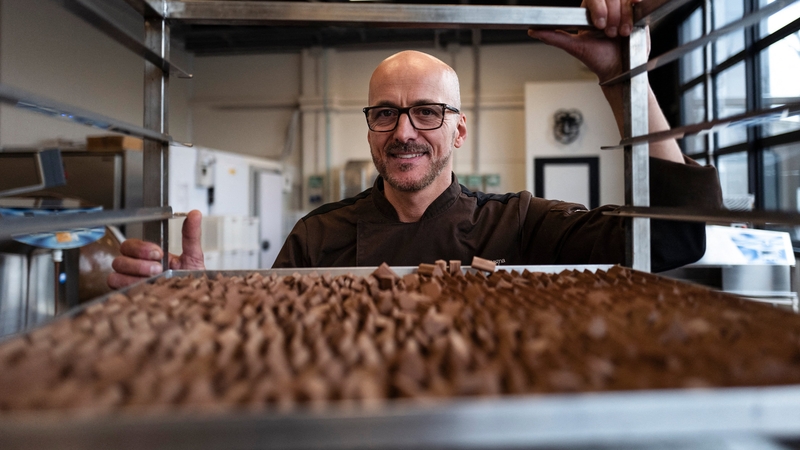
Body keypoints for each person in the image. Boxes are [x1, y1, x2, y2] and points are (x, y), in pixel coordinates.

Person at [108, 0, 722, 290]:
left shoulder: (519, 223)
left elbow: (674, 238)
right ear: (370, 129)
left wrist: (624, 77)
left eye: (427, 112)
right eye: (386, 114)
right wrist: (194, 301)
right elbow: (259, 346)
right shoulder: (317, 237)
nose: (404, 132)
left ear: (459, 129)